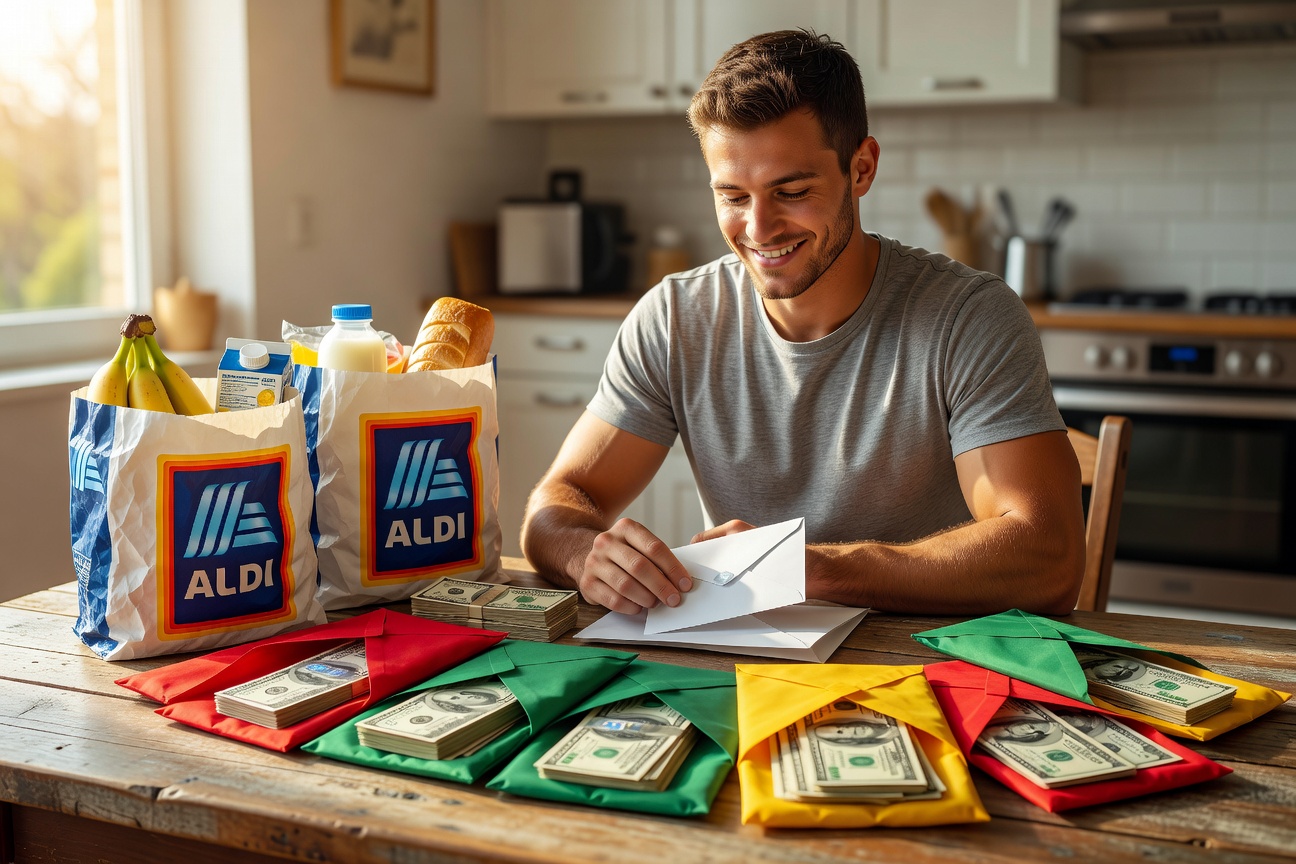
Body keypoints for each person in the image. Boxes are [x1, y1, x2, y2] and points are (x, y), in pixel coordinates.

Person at [520, 29, 1084, 617]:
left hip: (926, 664)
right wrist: (587, 555)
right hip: (742, 663)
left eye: (790, 191)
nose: (759, 229)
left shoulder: (968, 317)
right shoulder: (675, 318)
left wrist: (813, 568)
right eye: (733, 197)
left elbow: (1048, 556)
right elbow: (556, 506)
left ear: (861, 169)